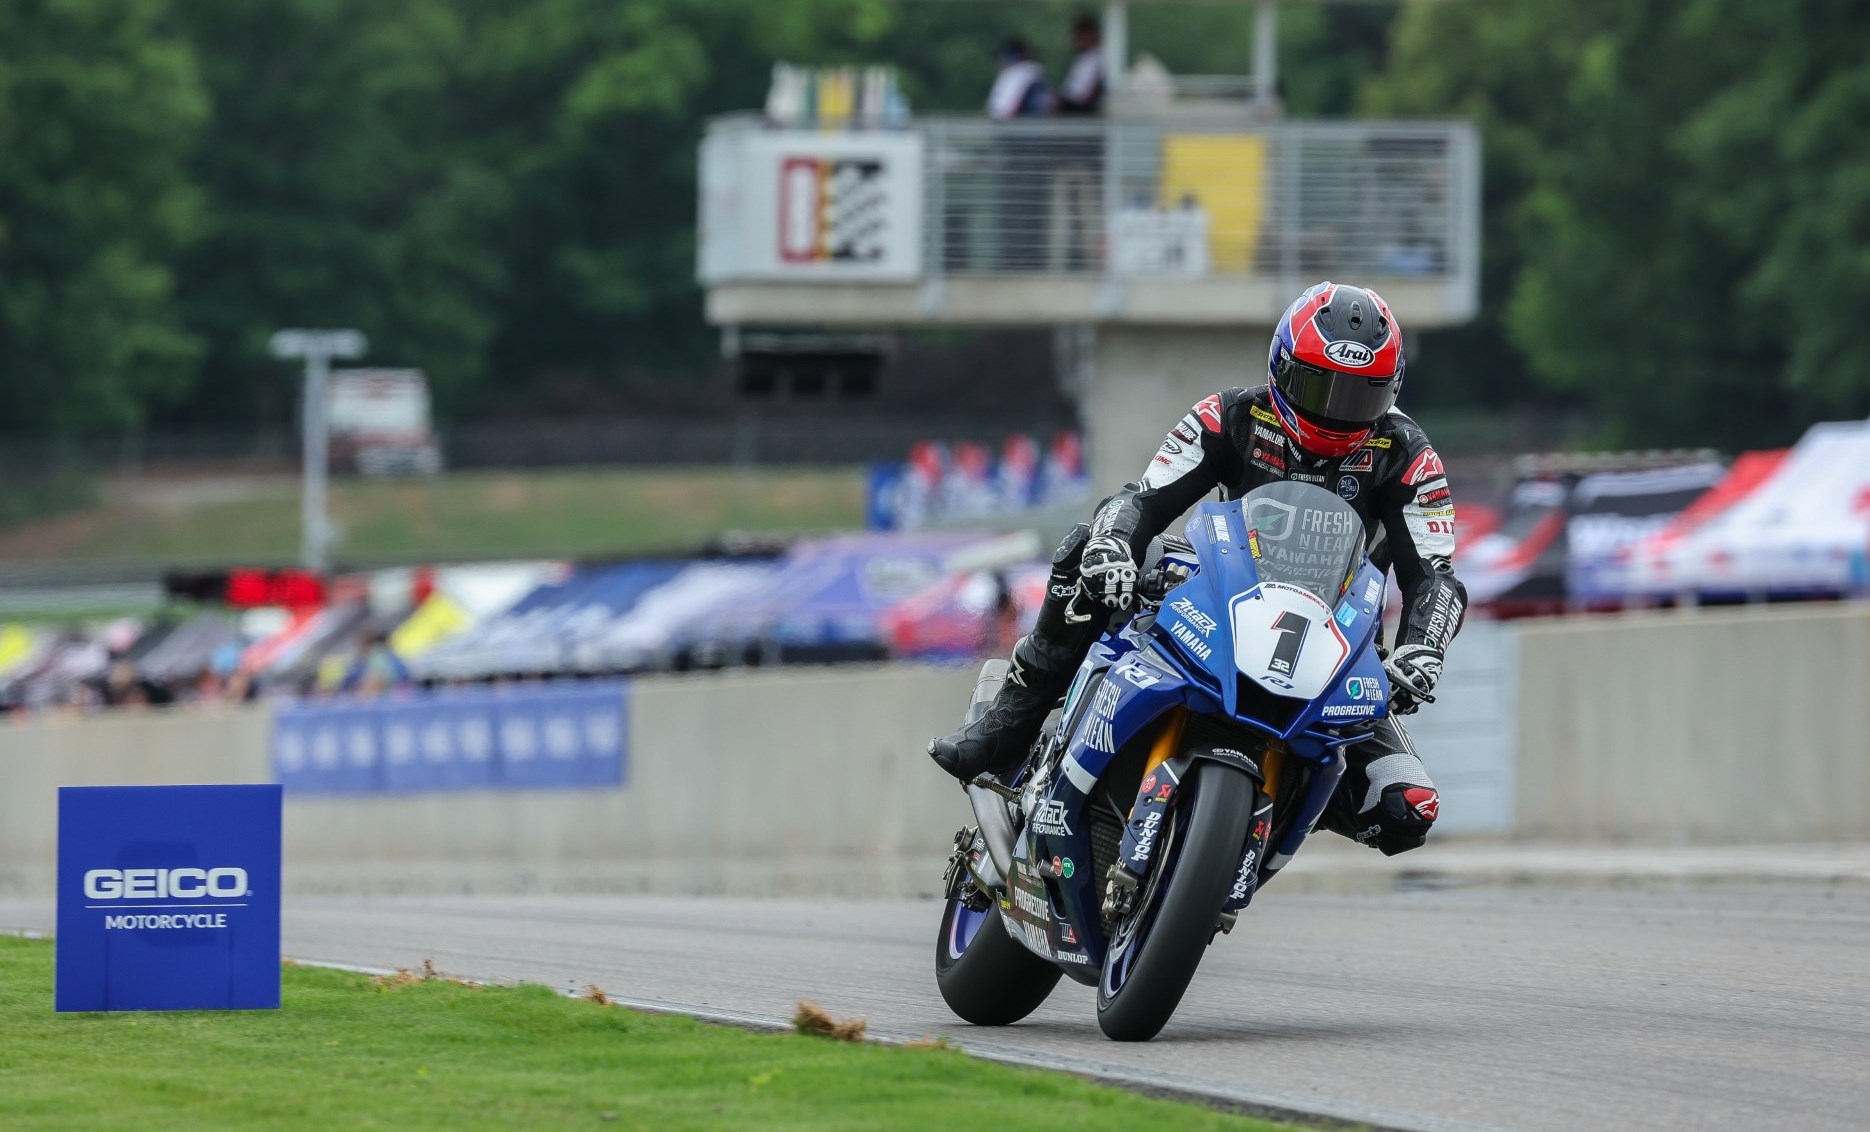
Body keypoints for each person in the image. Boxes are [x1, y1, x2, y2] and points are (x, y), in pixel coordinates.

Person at [929, 282, 1466, 857]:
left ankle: (1265, 818)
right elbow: (1143, 498)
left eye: (1360, 395)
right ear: (1281, 369)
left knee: (1405, 808)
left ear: (1391, 391)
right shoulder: (1230, 414)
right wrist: (1114, 543)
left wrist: (1422, 649)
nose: (1335, 412)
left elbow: (1434, 574)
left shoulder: (1409, 455)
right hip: (1216, 595)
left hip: (1330, 650)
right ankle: (1012, 725)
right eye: (1319, 386)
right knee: (1085, 547)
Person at [985, 37, 1052, 120]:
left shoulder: (1022, 71)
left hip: (1019, 126)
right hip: (1037, 125)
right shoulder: (1034, 70)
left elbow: (1007, 109)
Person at [1058, 15, 1105, 116]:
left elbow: (1082, 96)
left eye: (1081, 34)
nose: (1077, 38)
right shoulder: (1083, 58)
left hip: (1081, 113)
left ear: (1092, 34)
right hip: (1072, 107)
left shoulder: (1097, 59)